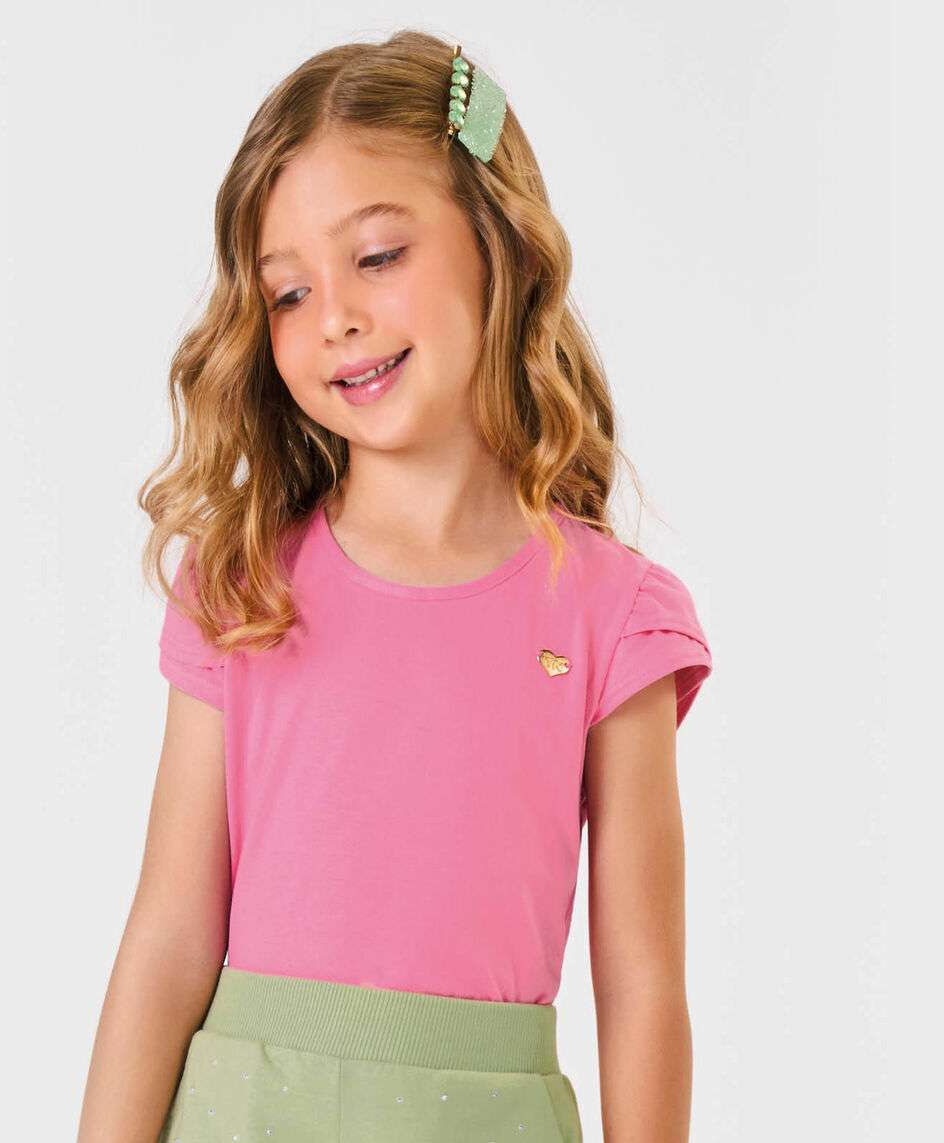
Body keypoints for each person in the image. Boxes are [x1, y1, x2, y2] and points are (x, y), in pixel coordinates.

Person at [77, 29, 713, 1143]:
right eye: (287, 293)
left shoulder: (613, 616)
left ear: (500, 243)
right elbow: (169, 936)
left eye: (376, 257)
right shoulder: (242, 586)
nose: (334, 316)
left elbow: (644, 985)